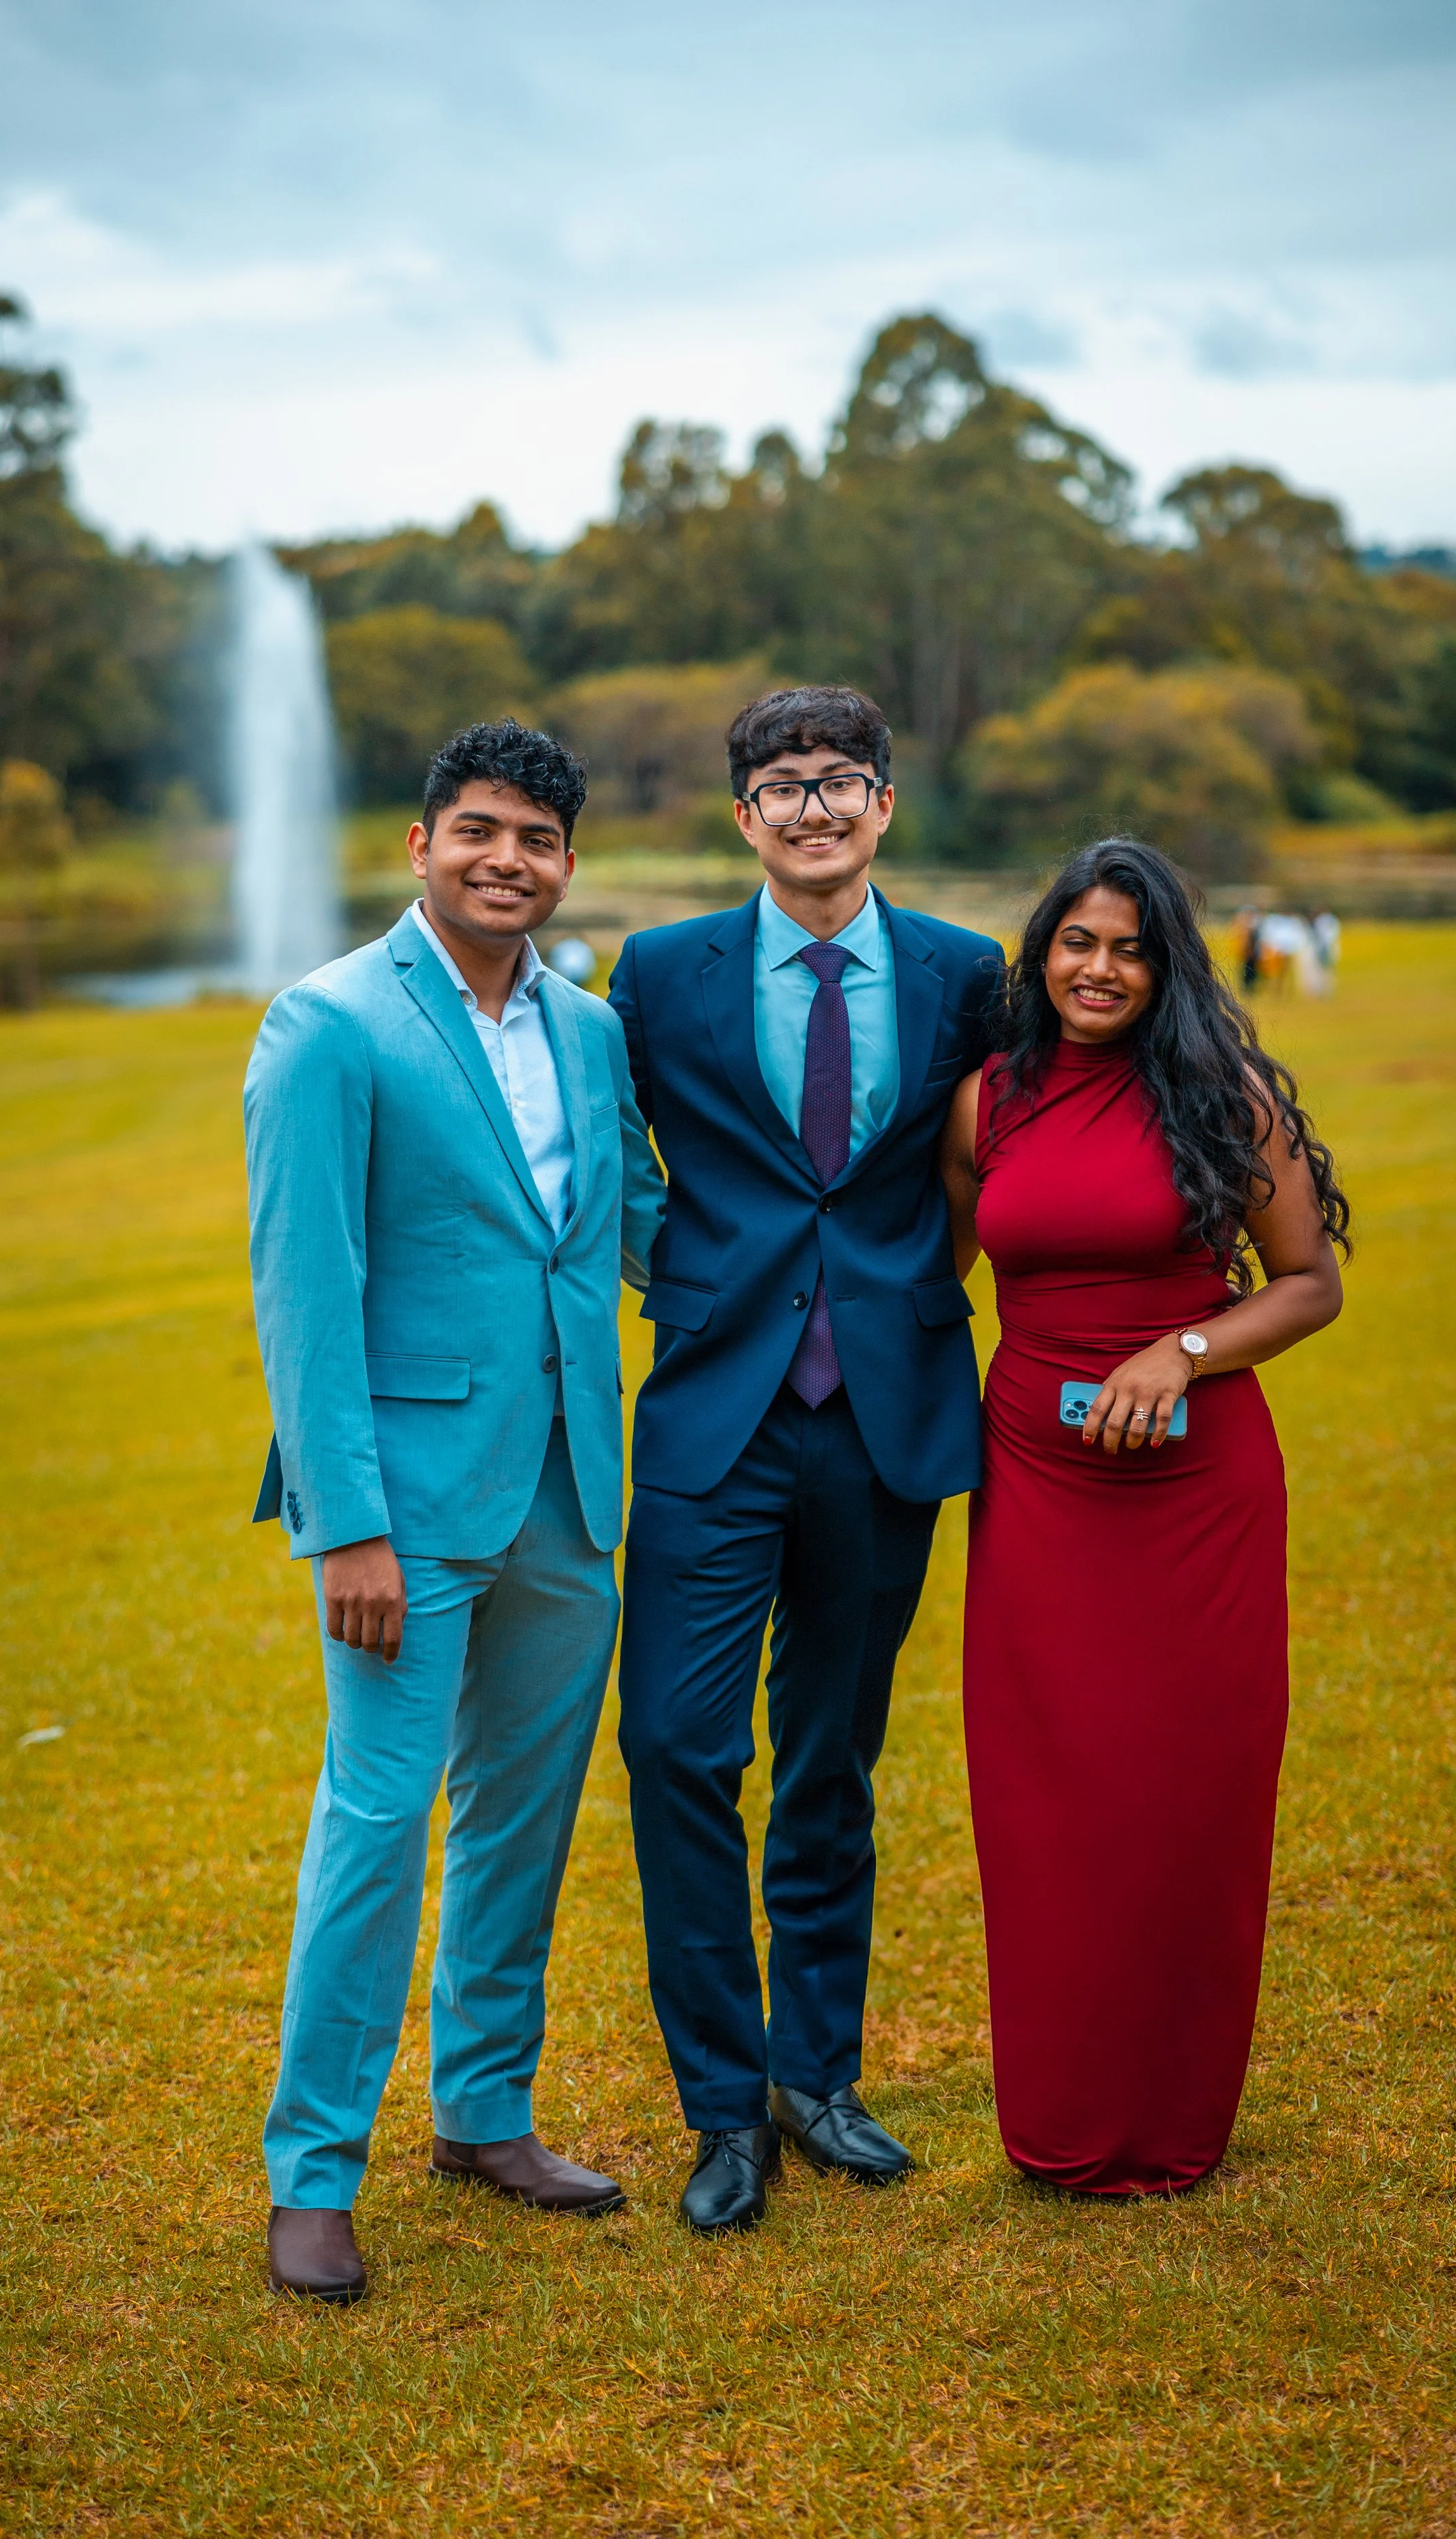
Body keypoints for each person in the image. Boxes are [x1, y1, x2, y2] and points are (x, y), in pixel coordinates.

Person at [244, 720, 665, 2301]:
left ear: (567, 864)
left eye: (538, 839)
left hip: (570, 1484)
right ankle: (311, 2174)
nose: (508, 860)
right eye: (478, 830)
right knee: (376, 1820)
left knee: (524, 1815)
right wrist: (343, 1523)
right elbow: (307, 1290)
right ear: (421, 843)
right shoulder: (329, 1025)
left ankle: (484, 2112)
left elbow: (626, 1222)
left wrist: (833, 1275)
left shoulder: (590, 1027)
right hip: (402, 1512)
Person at [608, 685, 1004, 2234]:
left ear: (885, 807)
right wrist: (679, 1268)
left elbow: (994, 1157)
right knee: (674, 1750)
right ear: (741, 817)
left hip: (882, 1419)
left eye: (842, 781)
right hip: (713, 1417)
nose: (813, 807)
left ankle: (813, 2075)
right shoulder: (658, 973)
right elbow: (595, 1147)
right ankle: (721, 2109)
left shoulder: (966, 975)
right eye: (782, 785)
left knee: (830, 1760)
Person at [939, 837, 1349, 2196]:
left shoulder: (1219, 1098)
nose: (1096, 969)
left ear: (1164, 965)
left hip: (1192, 1497)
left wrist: (1180, 1350)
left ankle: (1173, 2121)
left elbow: (1303, 1284)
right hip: (1037, 1495)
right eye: (1075, 941)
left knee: (1185, 1798)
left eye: (1125, 948)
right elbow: (931, 1280)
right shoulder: (984, 1102)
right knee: (1046, 1798)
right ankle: (1057, 2117)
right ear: (1041, 950)